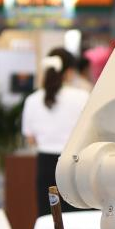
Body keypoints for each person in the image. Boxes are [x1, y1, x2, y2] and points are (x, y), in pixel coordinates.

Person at [21, 48, 90, 217]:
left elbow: (30, 139)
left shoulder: (32, 99)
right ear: (70, 71)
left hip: (45, 165)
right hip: (75, 164)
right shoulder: (82, 96)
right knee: (78, 217)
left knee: (50, 218)